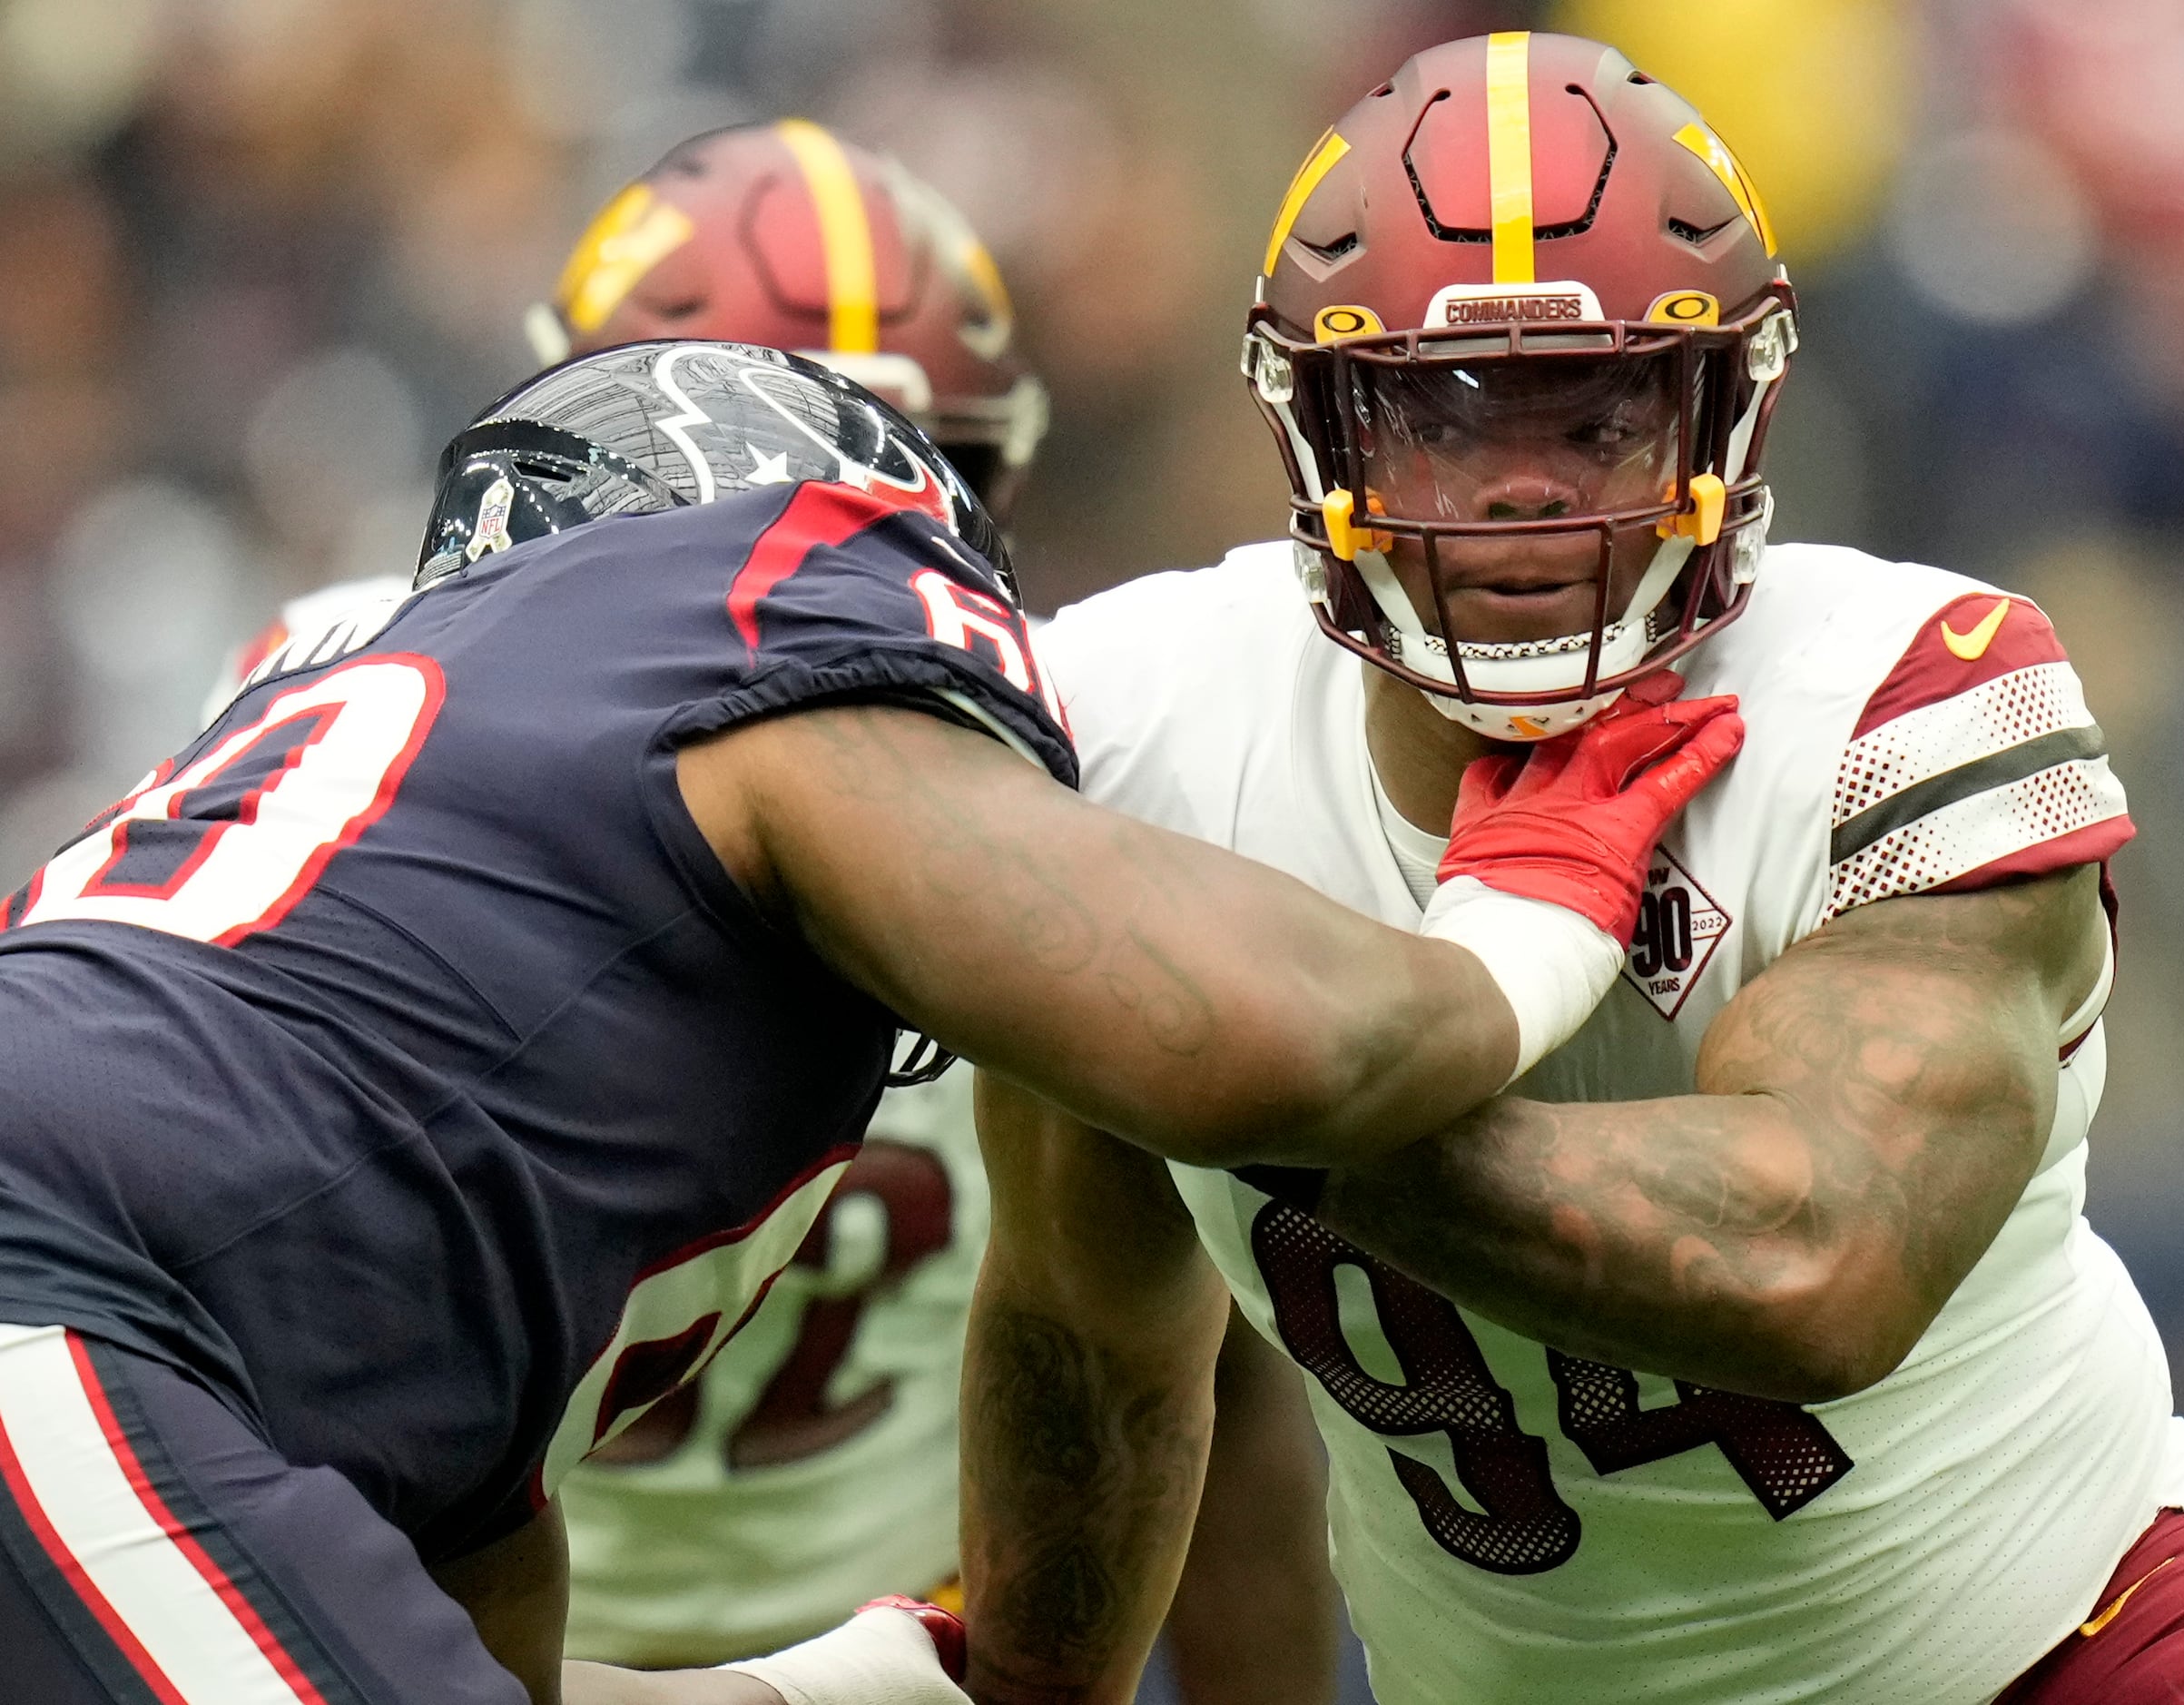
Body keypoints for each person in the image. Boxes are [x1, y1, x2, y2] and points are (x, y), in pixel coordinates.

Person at [959, 32, 2184, 1705]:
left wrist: (1231, 1051)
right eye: (1434, 414)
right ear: (1317, 429)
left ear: (1730, 411)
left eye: (1603, 409)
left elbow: (1813, 1260)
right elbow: (1092, 1341)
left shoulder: (1901, 692)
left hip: (2064, 1647)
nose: (1520, 491)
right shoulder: (1130, 727)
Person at [0, 337, 1735, 1705]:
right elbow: (1263, 1044)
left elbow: (479, 1676)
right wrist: (1526, 908)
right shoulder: (736, 624)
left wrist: (855, 1676)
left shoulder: (405, 997)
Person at [206, 120, 1342, 1692]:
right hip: (472, 1629)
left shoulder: (1092, 745)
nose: (791, 583)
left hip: (900, 1635)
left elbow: (1192, 1367)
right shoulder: (343, 689)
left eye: (880, 502)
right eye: (715, 501)